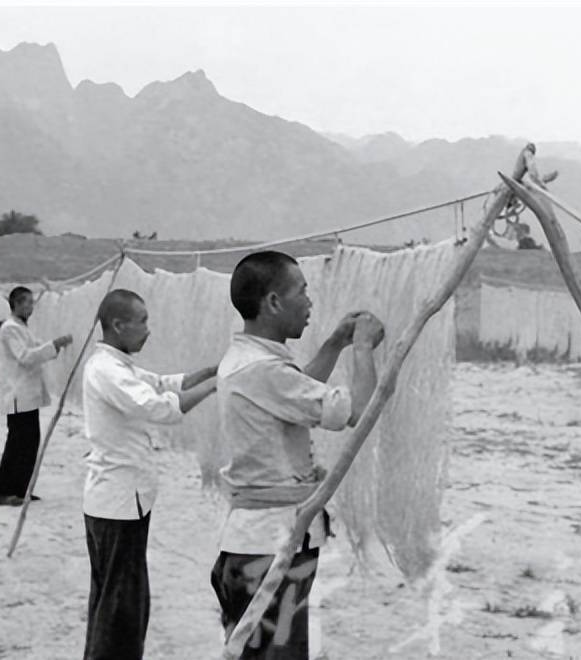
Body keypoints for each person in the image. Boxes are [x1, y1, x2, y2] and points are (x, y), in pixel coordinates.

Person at [211, 250, 384, 659]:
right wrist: (362, 349)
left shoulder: (253, 363)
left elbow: (296, 392)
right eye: (302, 291)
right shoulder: (262, 370)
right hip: (269, 551)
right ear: (273, 302)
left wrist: (335, 344)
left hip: (259, 543)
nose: (309, 302)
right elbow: (356, 410)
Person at [81, 288, 218, 660]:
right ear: (118, 325)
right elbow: (158, 407)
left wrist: (207, 372)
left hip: (122, 500)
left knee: (118, 598)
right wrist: (212, 386)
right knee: (121, 605)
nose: (148, 329)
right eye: (142, 321)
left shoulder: (118, 365)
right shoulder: (107, 370)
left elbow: (161, 383)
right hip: (117, 502)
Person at [0, 286, 73, 506]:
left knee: (29, 443)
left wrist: (54, 346)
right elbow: (26, 356)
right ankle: (5, 491)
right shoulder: (10, 328)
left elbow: (36, 348)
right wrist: (53, 346)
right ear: (17, 304)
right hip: (17, 394)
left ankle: (20, 489)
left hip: (26, 395)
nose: (31, 306)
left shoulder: (21, 327)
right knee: (17, 443)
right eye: (28, 302)